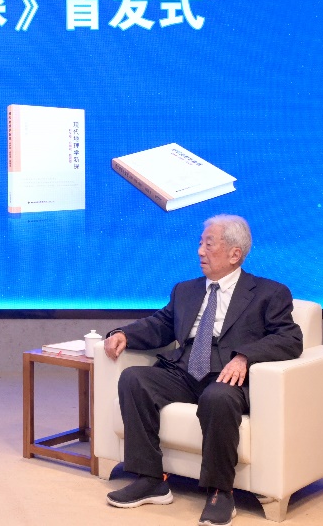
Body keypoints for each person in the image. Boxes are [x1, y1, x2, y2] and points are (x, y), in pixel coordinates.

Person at [103, 214, 301, 526]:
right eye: (200, 243)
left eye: (209, 244)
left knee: (217, 398)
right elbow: (161, 324)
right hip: (184, 370)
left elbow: (290, 339)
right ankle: (150, 480)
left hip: (227, 376)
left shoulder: (269, 293)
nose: (200, 251)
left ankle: (221, 492)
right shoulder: (186, 290)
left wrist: (245, 357)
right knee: (135, 379)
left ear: (235, 254)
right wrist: (124, 334)